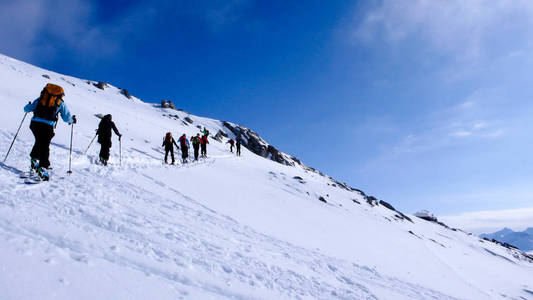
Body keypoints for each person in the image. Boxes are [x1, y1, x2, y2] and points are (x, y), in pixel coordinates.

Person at [23, 83, 76, 180]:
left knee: (39, 141)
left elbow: (27, 109)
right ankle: (43, 168)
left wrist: (29, 105)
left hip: (35, 124)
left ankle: (34, 159)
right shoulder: (60, 102)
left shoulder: (41, 98)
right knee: (44, 145)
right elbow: (66, 117)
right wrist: (72, 120)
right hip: (47, 126)